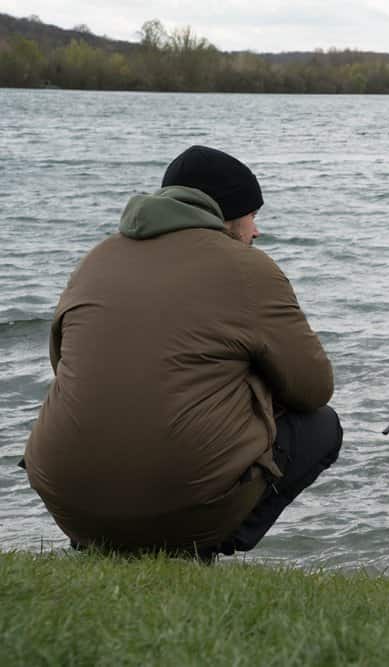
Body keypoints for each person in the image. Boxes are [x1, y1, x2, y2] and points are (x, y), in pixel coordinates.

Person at [22, 145, 342, 559]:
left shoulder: (95, 259)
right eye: (252, 216)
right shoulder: (249, 268)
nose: (256, 231)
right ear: (226, 216)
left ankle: (104, 543)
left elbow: (62, 364)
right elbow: (314, 389)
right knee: (321, 428)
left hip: (68, 502)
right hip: (181, 506)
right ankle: (203, 548)